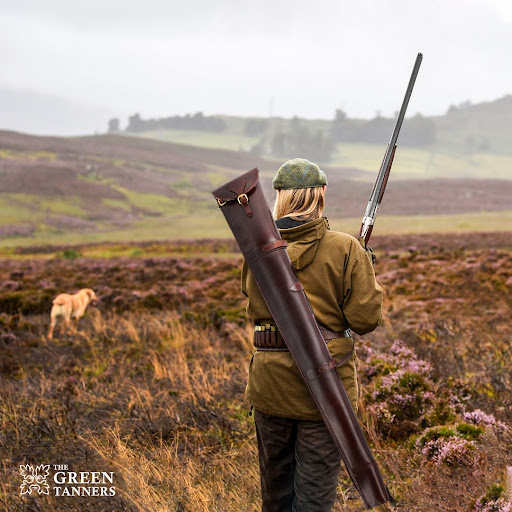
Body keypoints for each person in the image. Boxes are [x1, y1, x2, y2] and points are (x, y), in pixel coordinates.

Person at [241, 158, 383, 512]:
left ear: (278, 197)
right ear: (322, 193)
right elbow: (365, 319)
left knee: (275, 496)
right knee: (314, 498)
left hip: (269, 387)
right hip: (325, 389)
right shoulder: (346, 249)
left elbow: (251, 298)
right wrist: (365, 267)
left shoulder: (256, 252)